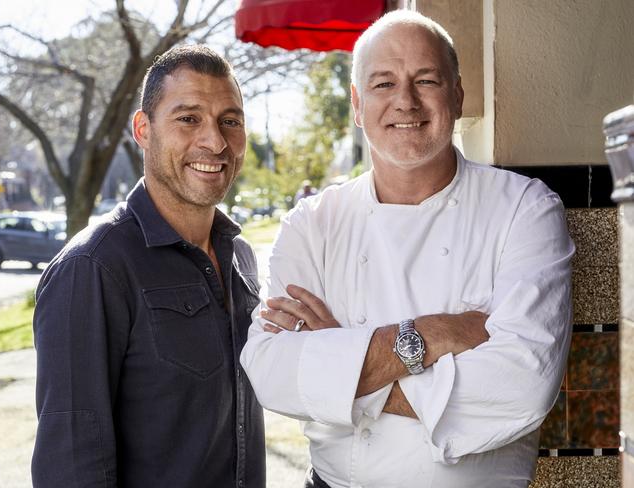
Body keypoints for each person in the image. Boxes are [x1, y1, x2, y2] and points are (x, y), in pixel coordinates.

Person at [240, 10, 574, 488]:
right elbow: (271, 370)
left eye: (426, 80)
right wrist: (433, 334)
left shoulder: (525, 208)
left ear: (456, 96)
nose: (405, 102)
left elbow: (523, 387)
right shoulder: (312, 223)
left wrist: (340, 362)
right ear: (357, 105)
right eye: (382, 84)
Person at [32, 45, 265, 487]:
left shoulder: (243, 259)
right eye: (188, 118)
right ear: (143, 129)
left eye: (230, 121)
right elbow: (70, 469)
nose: (215, 141)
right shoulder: (93, 268)